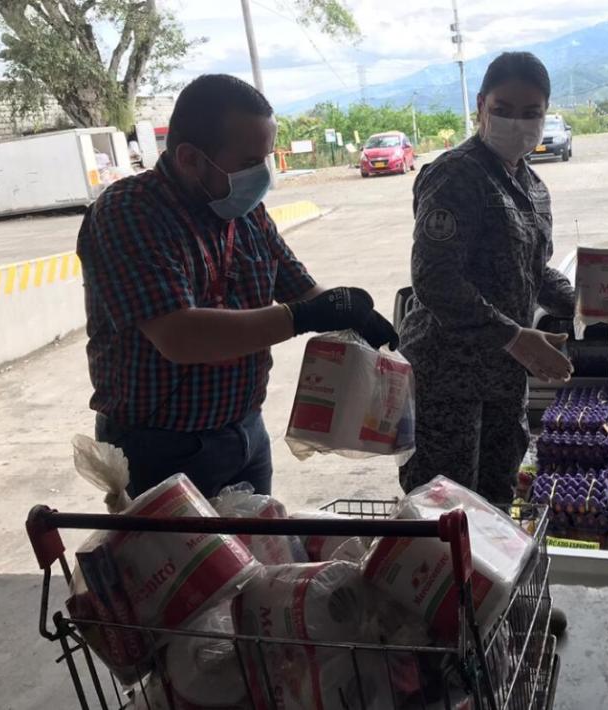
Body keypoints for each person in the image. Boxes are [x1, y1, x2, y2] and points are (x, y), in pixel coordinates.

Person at [78, 74, 397, 499]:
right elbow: (181, 336)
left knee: (256, 560)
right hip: (161, 448)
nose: (262, 175)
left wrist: (352, 313)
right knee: (183, 566)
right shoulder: (129, 213)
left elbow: (299, 288)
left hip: (245, 432)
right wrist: (303, 317)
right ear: (190, 158)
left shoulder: (245, 213)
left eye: (265, 159)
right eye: (249, 162)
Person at [398, 52, 575, 505]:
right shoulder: (456, 174)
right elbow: (435, 279)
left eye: (531, 113)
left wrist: (589, 302)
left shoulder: (532, 185)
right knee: (445, 512)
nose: (518, 122)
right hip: (448, 379)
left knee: (496, 501)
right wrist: (516, 337)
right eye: (503, 110)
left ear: (546, 113)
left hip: (503, 378)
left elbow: (532, 271)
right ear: (480, 106)